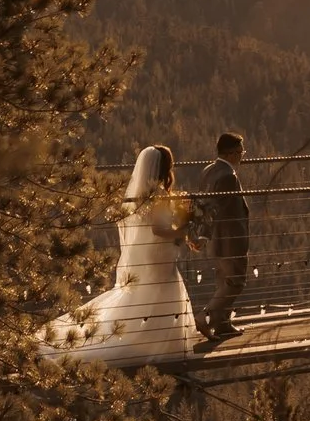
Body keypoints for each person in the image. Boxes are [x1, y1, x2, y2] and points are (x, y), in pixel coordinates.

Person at [38, 144, 202, 365]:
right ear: (166, 167)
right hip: (159, 254)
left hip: (147, 252)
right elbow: (160, 230)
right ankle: (159, 342)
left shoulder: (143, 194)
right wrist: (184, 228)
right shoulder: (159, 195)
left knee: (146, 294)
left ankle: (152, 338)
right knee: (162, 290)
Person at [196, 129, 251, 343]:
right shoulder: (228, 176)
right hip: (231, 240)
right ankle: (205, 317)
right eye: (240, 151)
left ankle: (223, 325)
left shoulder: (208, 171)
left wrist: (202, 234)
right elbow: (217, 208)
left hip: (217, 241)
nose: (242, 156)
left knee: (223, 281)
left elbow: (204, 206)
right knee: (235, 281)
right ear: (230, 154)